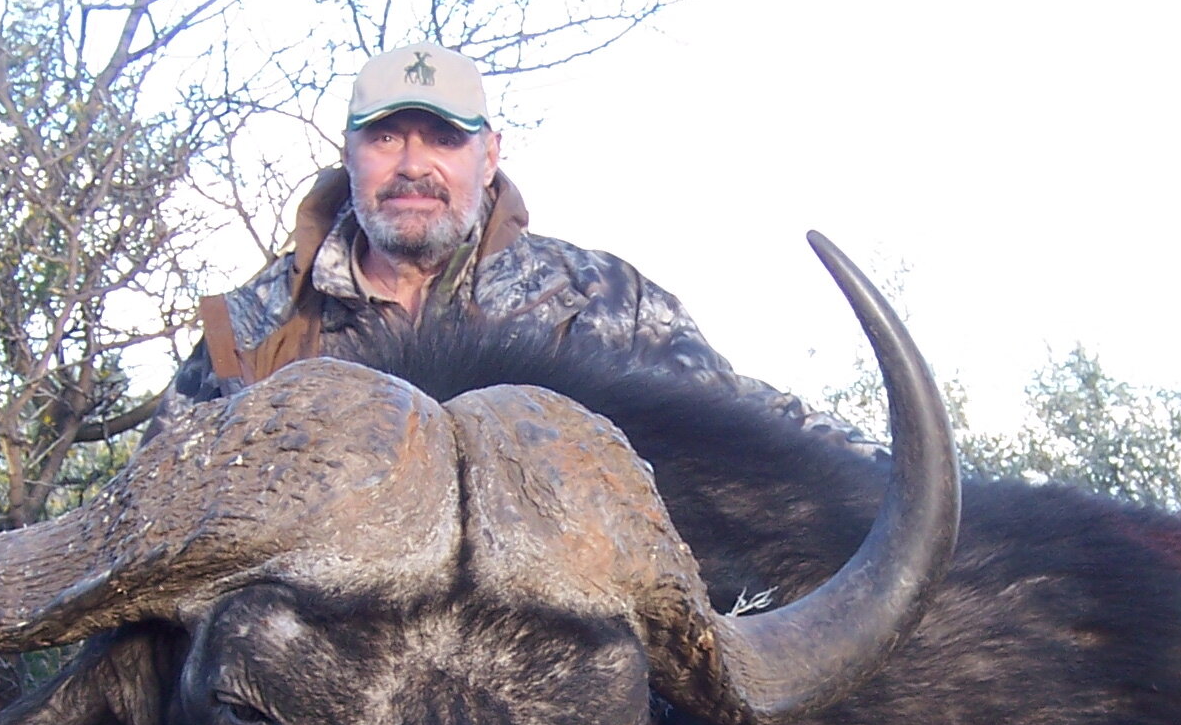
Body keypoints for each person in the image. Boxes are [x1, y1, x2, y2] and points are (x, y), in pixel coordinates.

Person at [170, 44, 840, 438]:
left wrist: (927, 490)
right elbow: (143, 519)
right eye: (384, 137)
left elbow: (748, 429)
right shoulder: (251, 333)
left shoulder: (603, 303)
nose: (412, 164)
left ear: (488, 156)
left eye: (443, 138)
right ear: (347, 153)